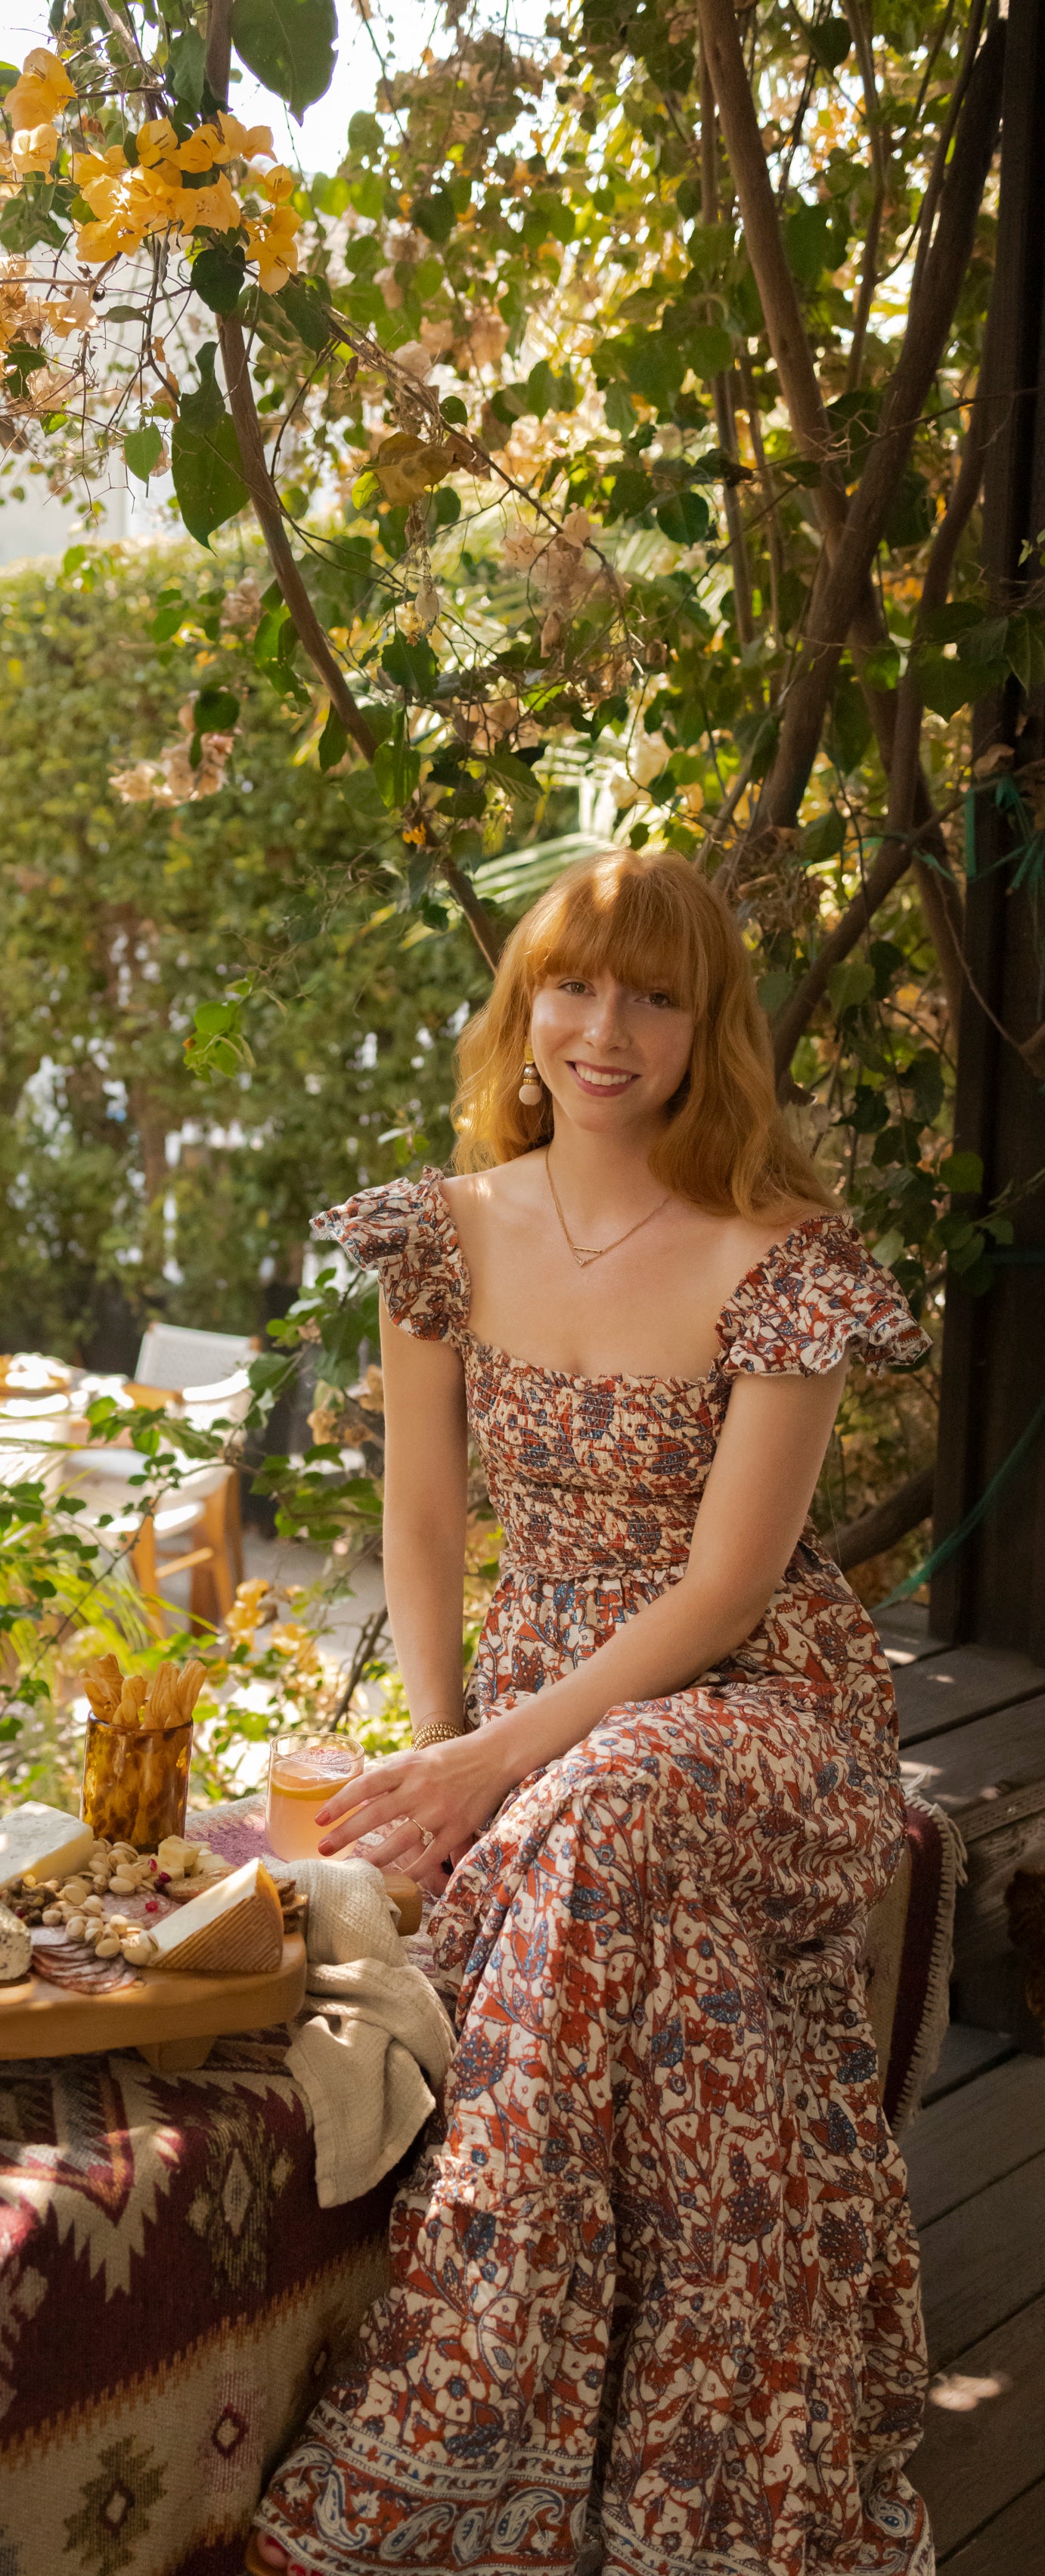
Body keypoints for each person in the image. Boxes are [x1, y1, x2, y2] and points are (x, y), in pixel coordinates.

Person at [248, 849, 931, 2576]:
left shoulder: (786, 1261)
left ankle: (458, 2424)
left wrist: (489, 1761)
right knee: (668, 1975)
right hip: (547, 1723)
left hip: (753, 1708)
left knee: (610, 1802)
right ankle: (715, 2487)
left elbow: (724, 1597)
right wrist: (437, 1741)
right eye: (572, 986)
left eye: (653, 995)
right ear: (522, 1009)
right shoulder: (441, 1231)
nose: (603, 1029)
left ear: (711, 1031)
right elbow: (419, 1521)